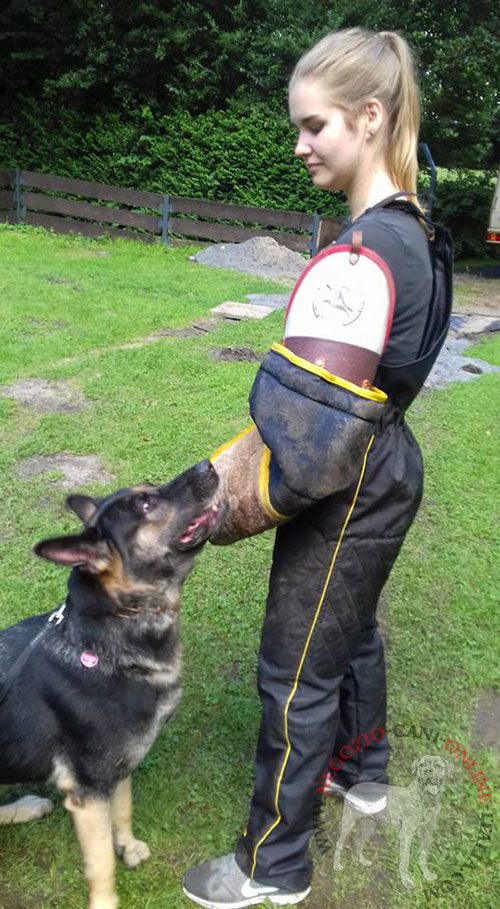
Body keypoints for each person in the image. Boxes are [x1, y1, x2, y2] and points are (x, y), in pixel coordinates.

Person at [182, 26, 452, 908]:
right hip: (389, 465)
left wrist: (213, 505)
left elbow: (304, 444)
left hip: (347, 478)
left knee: (294, 668)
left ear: (368, 117)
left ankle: (273, 863)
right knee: (355, 630)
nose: (298, 144)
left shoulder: (359, 257)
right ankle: (361, 769)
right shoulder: (419, 231)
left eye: (313, 125)